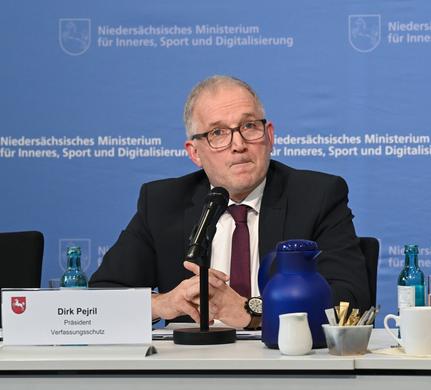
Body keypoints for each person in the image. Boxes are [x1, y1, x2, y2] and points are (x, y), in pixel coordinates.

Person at [90, 75, 370, 329]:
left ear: (269, 135)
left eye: (249, 126)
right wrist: (163, 304)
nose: (238, 144)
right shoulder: (163, 203)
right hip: (190, 372)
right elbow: (103, 297)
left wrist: (251, 311)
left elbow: (350, 301)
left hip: (285, 368)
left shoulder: (317, 196)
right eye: (218, 133)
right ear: (195, 152)